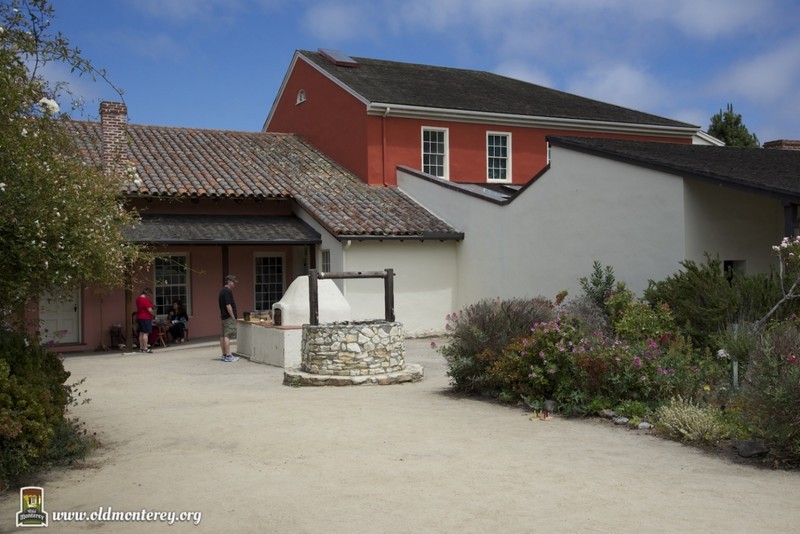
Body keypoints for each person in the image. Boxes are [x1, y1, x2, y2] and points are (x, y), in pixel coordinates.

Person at [218, 275, 239, 362]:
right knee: (227, 336)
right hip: (228, 317)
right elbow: (228, 305)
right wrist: (233, 316)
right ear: (229, 282)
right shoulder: (227, 291)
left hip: (223, 316)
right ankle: (228, 355)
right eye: (233, 282)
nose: (234, 284)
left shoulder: (221, 291)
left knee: (223, 335)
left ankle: (224, 354)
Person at [135, 288, 156, 353]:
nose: (149, 296)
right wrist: (154, 313)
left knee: (141, 333)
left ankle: (141, 348)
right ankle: (146, 348)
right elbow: (150, 310)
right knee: (146, 333)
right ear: (148, 293)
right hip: (146, 317)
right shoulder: (145, 300)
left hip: (139, 317)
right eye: (149, 295)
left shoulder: (138, 299)